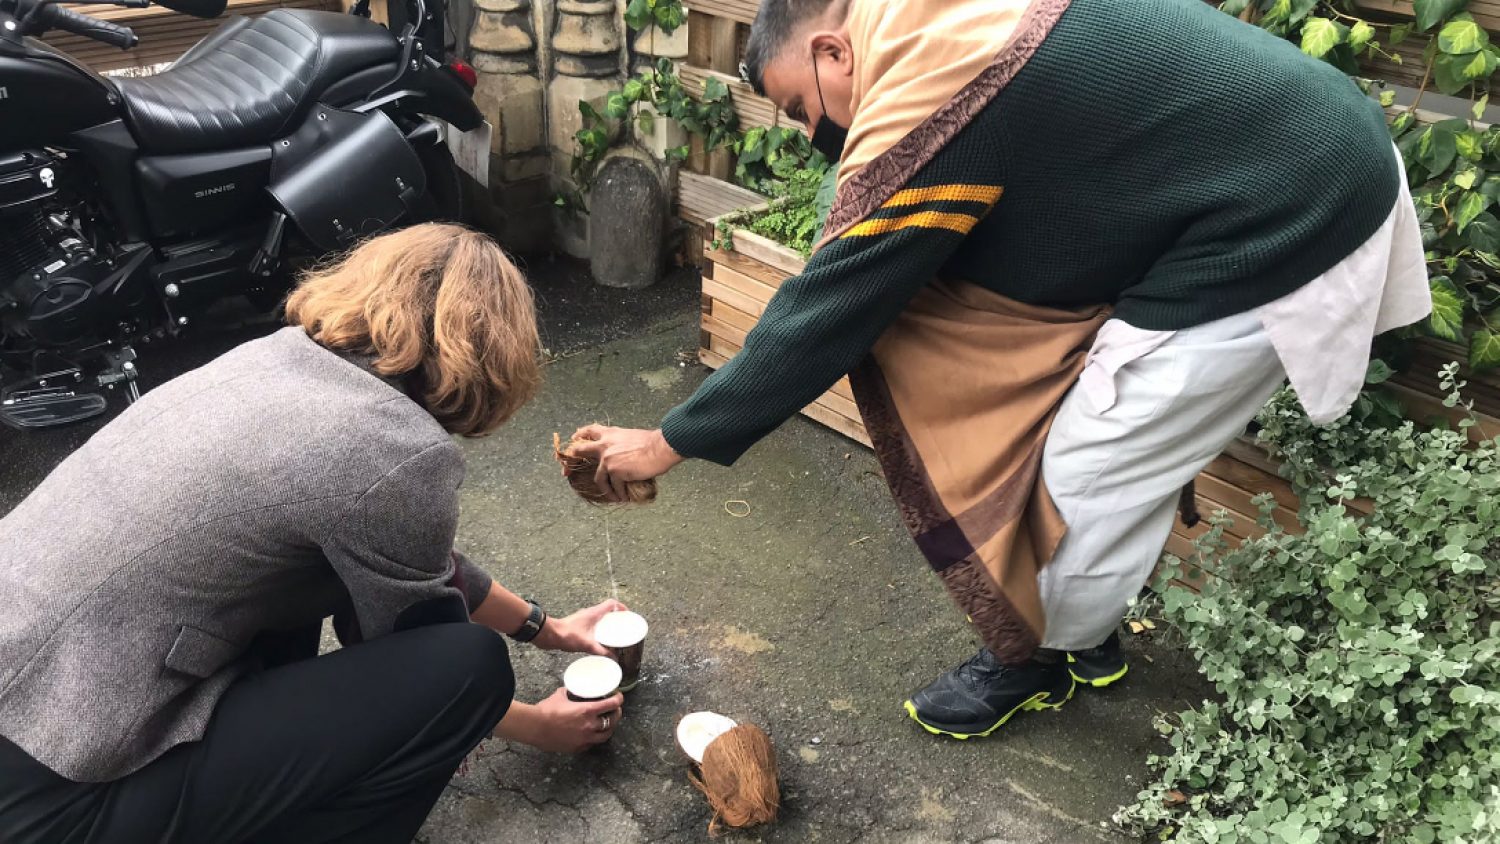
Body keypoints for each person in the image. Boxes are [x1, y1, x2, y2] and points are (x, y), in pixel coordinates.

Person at [569, 0, 1431, 741]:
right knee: (1107, 435)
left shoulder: (936, 88)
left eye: (800, 107)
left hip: (1291, 208)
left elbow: (831, 309)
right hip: (1277, 165)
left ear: (834, 52)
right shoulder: (938, 20)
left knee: (1086, 465)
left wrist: (667, 441)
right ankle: (1082, 630)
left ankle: (1039, 657)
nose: (808, 135)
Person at [0, 224, 627, 843]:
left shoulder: (272, 360)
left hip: (37, 695)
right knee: (472, 668)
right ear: (492, 356)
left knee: (313, 576)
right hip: (59, 790)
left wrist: (547, 629)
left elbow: (409, 563)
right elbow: (429, 655)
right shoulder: (395, 446)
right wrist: (537, 725)